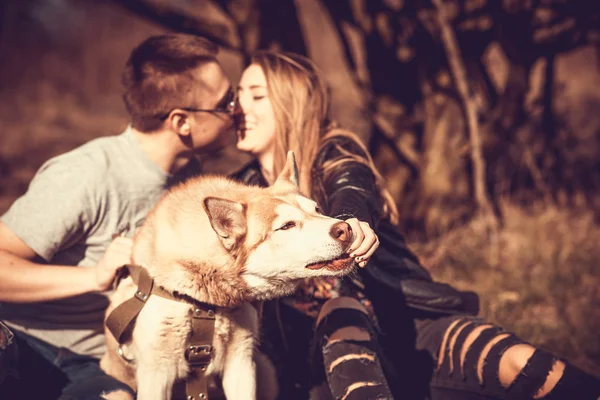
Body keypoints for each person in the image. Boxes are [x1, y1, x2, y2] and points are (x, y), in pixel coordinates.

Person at [231, 50, 600, 400]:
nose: (239, 106)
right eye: (238, 94)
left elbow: (352, 186)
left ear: (291, 103)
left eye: (256, 95)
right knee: (339, 309)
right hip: (325, 368)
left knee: (524, 364)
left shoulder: (335, 156)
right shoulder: (239, 202)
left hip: (410, 328)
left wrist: (350, 223)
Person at [0, 33, 235, 400]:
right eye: (226, 102)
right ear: (181, 122)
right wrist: (92, 277)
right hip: (22, 345)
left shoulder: (193, 181)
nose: (237, 110)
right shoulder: (86, 175)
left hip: (96, 363)